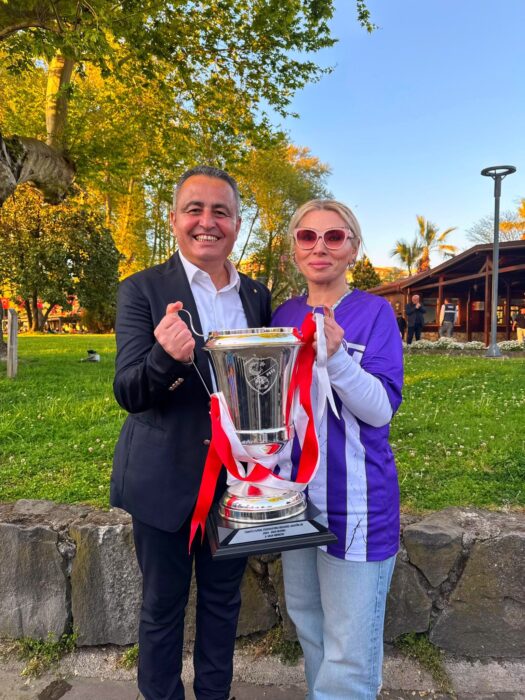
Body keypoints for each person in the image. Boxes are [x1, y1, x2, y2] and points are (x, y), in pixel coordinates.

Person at [110, 165, 272, 700]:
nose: (208, 221)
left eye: (221, 211)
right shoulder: (142, 290)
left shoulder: (257, 295)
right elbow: (129, 392)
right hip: (165, 481)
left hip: (240, 483)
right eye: (194, 210)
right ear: (174, 219)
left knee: (224, 605)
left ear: (237, 223)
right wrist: (164, 357)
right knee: (162, 607)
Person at [271, 199, 403, 700]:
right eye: (308, 236)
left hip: (357, 504)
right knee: (309, 625)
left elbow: (380, 410)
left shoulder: (375, 313)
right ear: (294, 249)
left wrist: (339, 358)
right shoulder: (283, 315)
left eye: (334, 236)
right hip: (296, 501)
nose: (320, 246)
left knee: (349, 652)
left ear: (353, 248)